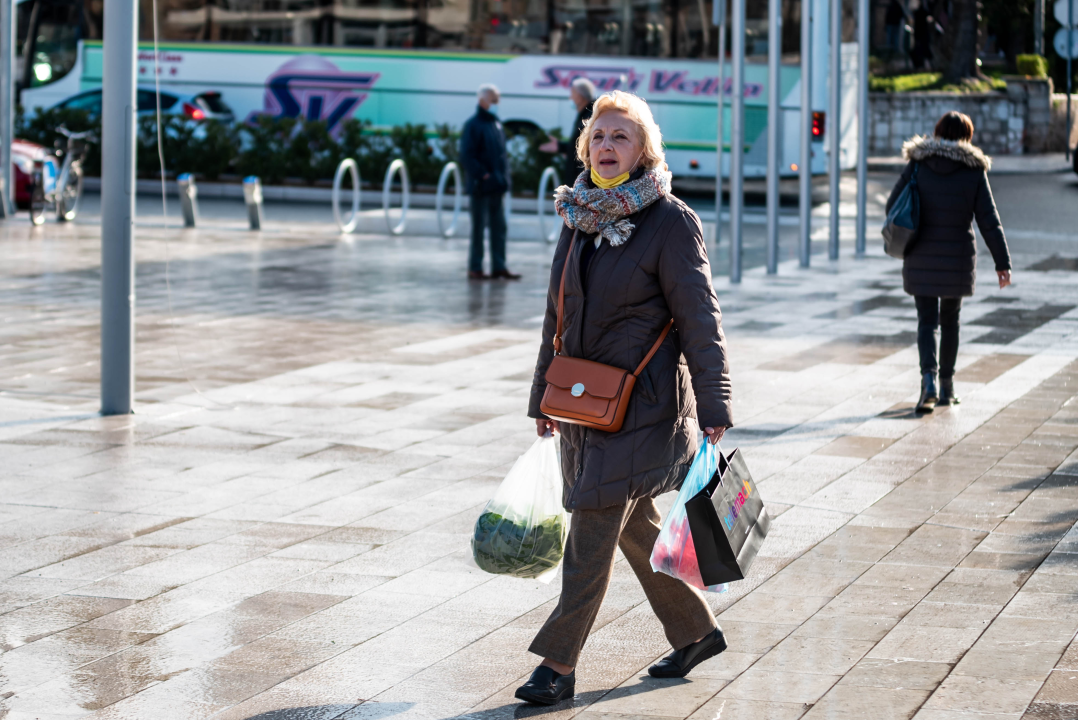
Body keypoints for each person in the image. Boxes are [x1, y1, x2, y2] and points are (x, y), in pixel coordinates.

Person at [518, 90, 734, 706]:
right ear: (586, 146)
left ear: (643, 151)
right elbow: (555, 316)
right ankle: (695, 631)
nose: (608, 146)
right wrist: (542, 397)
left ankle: (557, 664)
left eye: (622, 137)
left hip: (642, 406)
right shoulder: (580, 217)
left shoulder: (669, 222)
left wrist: (715, 407)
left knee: (590, 528)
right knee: (631, 522)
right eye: (600, 136)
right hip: (585, 404)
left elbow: (701, 320)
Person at [886, 111, 1012, 413]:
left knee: (926, 321)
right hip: (957, 258)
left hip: (920, 256)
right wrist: (1002, 262)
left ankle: (926, 381)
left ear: (938, 132)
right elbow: (988, 221)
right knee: (950, 322)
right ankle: (947, 387)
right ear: (967, 136)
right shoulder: (974, 170)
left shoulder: (918, 164)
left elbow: (893, 204)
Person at [459, 84, 521, 281]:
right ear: (482, 101)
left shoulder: (496, 124)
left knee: (499, 228)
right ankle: (475, 267)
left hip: (496, 187)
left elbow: (501, 156)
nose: (496, 104)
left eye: (497, 100)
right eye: (493, 100)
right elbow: (466, 156)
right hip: (481, 187)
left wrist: (503, 179)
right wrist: (483, 175)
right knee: (478, 229)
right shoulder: (473, 125)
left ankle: (499, 266)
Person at [539, 77, 597, 188]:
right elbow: (578, 144)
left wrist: (561, 147)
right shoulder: (585, 114)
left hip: (582, 181)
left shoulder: (589, 117)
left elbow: (583, 148)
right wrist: (561, 147)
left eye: (572, 93)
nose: (570, 97)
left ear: (581, 96)